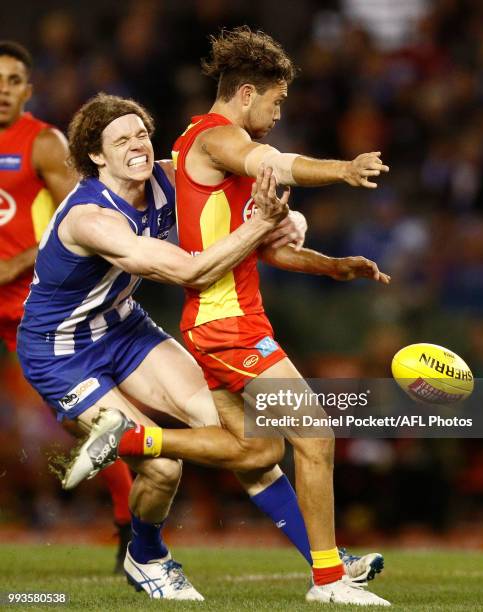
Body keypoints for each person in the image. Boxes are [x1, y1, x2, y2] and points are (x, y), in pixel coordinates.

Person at [60, 27, 392, 603]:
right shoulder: (217, 139)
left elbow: (262, 243)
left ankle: (133, 442)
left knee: (257, 450)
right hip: (227, 323)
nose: (278, 111)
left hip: (223, 320)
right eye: (276, 100)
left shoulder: (203, 146)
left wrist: (333, 266)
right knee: (314, 432)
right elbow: (277, 161)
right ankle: (330, 580)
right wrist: (342, 169)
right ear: (245, 92)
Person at [16, 92, 300, 601]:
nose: (138, 144)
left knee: (242, 436)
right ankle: (146, 555)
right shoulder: (90, 217)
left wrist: (290, 220)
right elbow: (191, 269)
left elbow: (245, 188)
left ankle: (325, 563)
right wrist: (260, 226)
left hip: (124, 328)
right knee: (164, 468)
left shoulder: (169, 176)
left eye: (142, 133)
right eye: (121, 139)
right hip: (59, 352)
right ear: (97, 157)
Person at [0, 41, 133, 571]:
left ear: (28, 90)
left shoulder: (43, 144)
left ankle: (129, 521)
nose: (2, 89)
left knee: (82, 418)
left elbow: (82, 218)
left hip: (27, 305)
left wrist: (15, 263)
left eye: (13, 80)